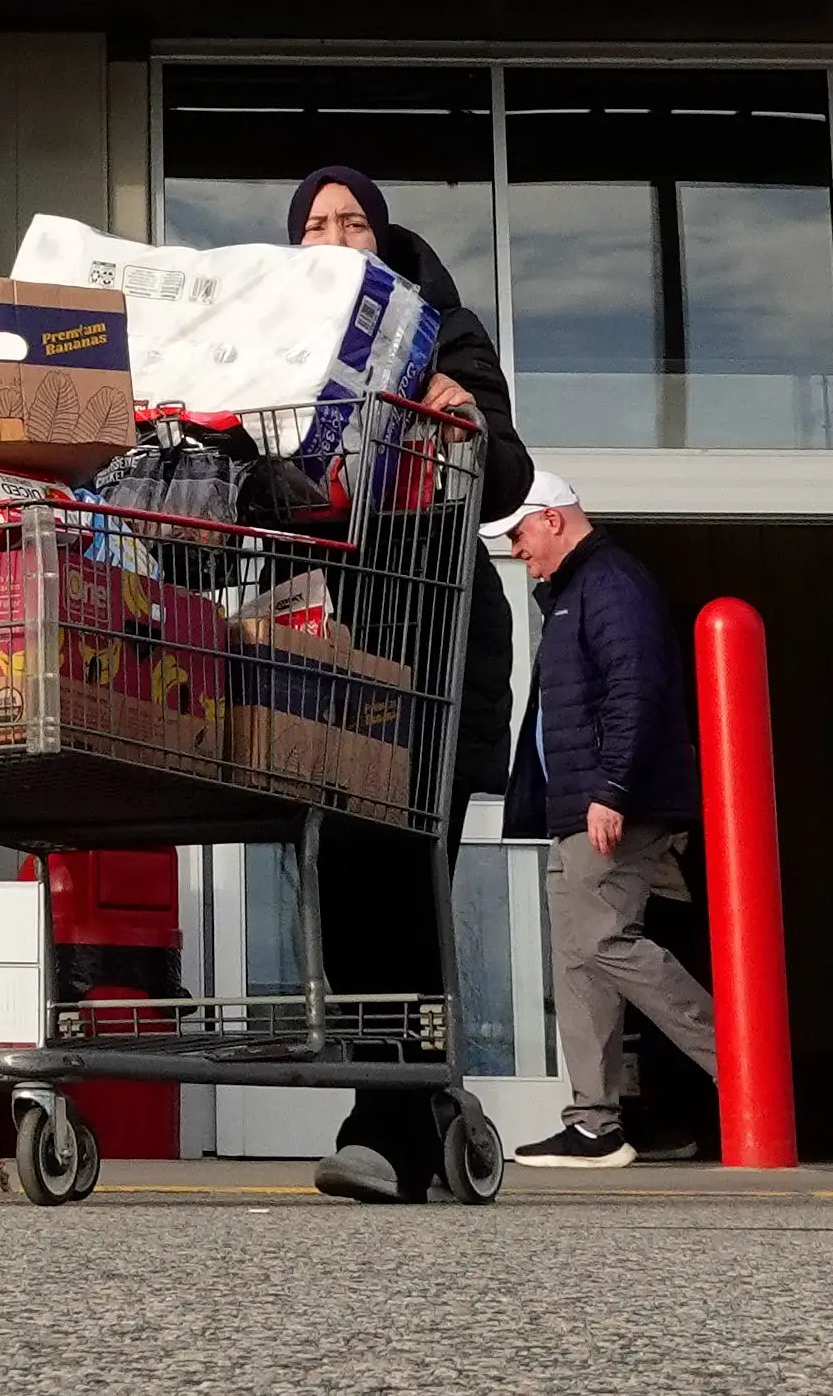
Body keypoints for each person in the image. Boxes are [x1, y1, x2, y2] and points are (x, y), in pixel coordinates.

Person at [285, 166, 537, 1206]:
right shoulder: (271, 342)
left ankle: (385, 1113)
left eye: (353, 221)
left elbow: (511, 475)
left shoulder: (445, 331)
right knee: (339, 873)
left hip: (427, 628)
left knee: (396, 866)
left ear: (384, 241)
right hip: (327, 623)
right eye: (314, 223)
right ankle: (410, 1102)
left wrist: (465, 416)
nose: (335, 235)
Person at [489, 469, 717, 1170]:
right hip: (577, 807)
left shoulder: (610, 584)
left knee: (604, 942)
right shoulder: (572, 592)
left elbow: (635, 687)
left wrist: (613, 789)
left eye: (520, 534)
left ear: (554, 518)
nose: (517, 550)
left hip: (613, 805)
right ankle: (593, 1123)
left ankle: (743, 1063)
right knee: (577, 956)